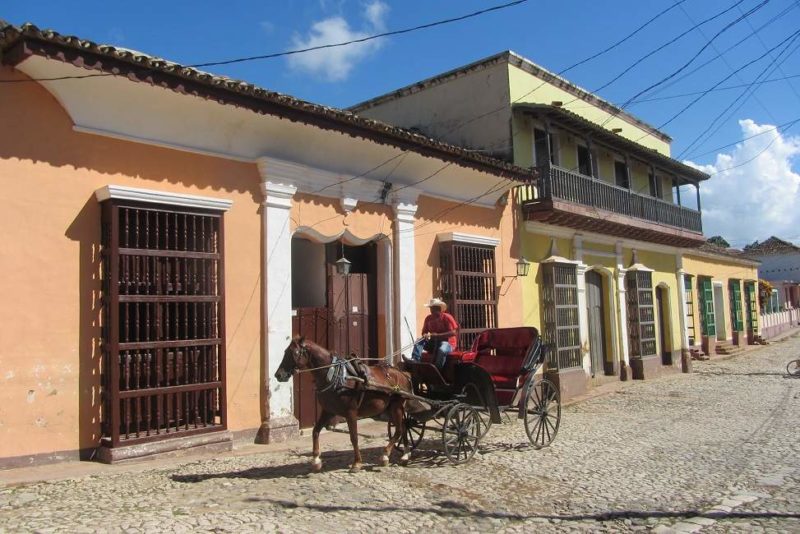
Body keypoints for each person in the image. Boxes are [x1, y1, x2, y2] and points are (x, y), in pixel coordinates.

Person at [410, 297, 459, 369]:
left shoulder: (447, 317)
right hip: (433, 343)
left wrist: (437, 335)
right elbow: (424, 332)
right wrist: (425, 335)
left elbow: (453, 332)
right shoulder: (428, 318)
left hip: (448, 343)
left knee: (442, 350)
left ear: (439, 309)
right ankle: (415, 359)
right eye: (431, 308)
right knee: (419, 341)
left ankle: (437, 369)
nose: (431, 310)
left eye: (434, 308)